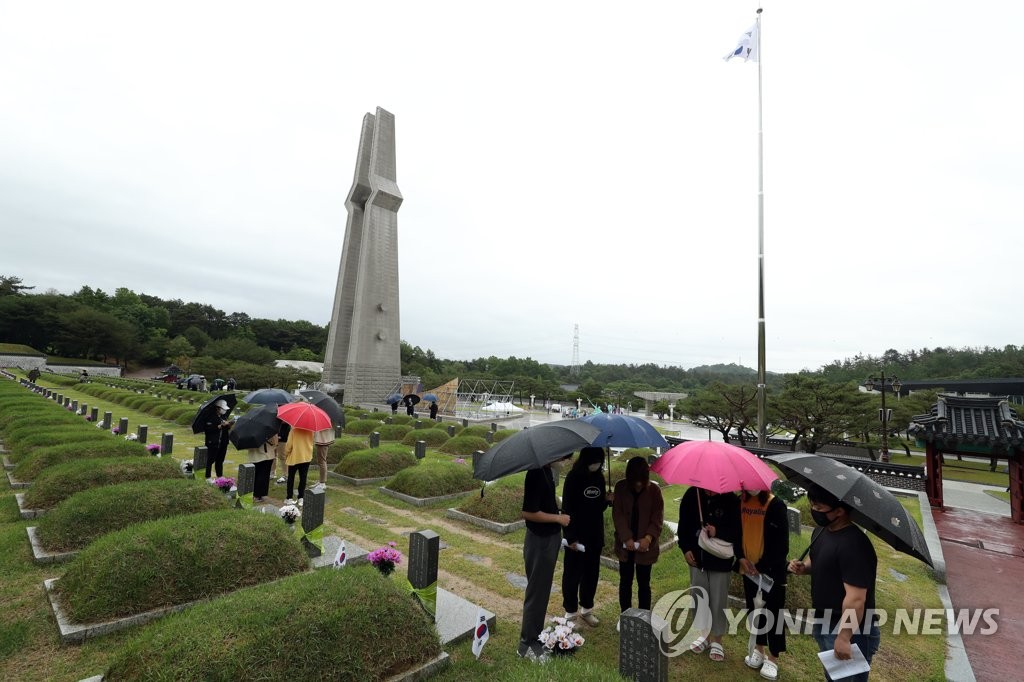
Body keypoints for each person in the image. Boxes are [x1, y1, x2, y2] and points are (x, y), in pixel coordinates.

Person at [788, 485, 879, 682]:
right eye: (812, 505)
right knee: (834, 677)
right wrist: (805, 567)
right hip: (825, 620)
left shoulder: (855, 546)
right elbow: (821, 560)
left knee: (846, 680)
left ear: (839, 511)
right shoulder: (822, 530)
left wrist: (844, 637)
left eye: (819, 508)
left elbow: (856, 599)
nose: (814, 511)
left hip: (851, 630)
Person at [517, 454, 573, 661]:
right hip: (539, 541)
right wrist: (558, 517)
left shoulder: (547, 472)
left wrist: (557, 511)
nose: (565, 462)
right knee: (537, 592)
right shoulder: (535, 474)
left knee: (542, 591)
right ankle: (527, 644)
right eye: (564, 458)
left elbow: (544, 504)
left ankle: (535, 636)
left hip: (549, 538)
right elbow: (528, 512)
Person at [678, 485, 741, 662]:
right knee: (699, 595)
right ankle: (704, 636)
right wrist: (685, 548)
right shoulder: (692, 494)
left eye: (712, 489)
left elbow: (738, 532)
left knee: (718, 599)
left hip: (720, 561)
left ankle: (717, 640)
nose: (708, 491)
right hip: (697, 559)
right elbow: (683, 525)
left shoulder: (731, 500)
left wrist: (717, 531)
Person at [737, 489, 790, 680]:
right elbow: (737, 534)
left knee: (773, 613)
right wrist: (741, 558)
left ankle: (773, 658)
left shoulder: (775, 505)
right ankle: (759, 649)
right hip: (748, 570)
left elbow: (782, 545)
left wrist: (762, 565)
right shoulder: (741, 502)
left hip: (770, 572)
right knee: (754, 611)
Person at [561, 446, 611, 627]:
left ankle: (587, 609)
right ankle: (570, 611)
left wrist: (607, 500)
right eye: (594, 462)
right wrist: (571, 536)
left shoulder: (599, 477)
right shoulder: (573, 477)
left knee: (591, 573)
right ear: (586, 460)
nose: (596, 465)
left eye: (599, 462)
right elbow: (566, 507)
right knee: (572, 574)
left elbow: (598, 506)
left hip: (594, 535)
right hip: (576, 535)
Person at [613, 456, 665, 626]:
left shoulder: (654, 491)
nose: (638, 484)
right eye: (634, 481)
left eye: (641, 480)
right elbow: (618, 514)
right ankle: (625, 616)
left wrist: (648, 538)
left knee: (644, 583)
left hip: (646, 546)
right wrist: (626, 537)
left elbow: (658, 517)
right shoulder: (621, 487)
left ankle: (644, 617)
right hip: (625, 545)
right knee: (625, 581)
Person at [203, 399, 232, 480]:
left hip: (223, 442)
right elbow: (209, 429)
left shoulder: (224, 417)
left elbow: (226, 429)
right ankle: (208, 476)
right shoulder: (210, 417)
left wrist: (229, 424)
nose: (224, 411)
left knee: (220, 461)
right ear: (217, 408)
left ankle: (220, 477)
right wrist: (220, 426)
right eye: (223, 409)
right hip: (213, 442)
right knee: (210, 460)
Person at [285, 426, 314, 506]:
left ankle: (289, 498)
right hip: (306, 457)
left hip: (295, 457)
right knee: (303, 478)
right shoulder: (310, 430)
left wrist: (286, 454)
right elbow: (311, 443)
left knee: (291, 477)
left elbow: (288, 445)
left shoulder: (293, 431)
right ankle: (301, 497)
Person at [247, 434, 278, 503]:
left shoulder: (249, 431)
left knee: (255, 475)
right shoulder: (269, 429)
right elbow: (275, 442)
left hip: (253, 455)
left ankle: (253, 493)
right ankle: (258, 495)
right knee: (263, 475)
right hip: (266, 455)